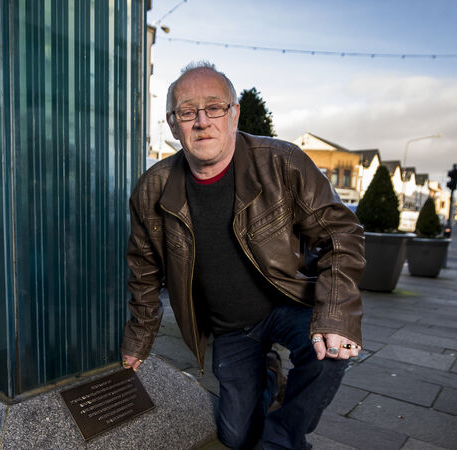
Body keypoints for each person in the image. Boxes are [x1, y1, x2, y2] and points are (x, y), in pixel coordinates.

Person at [120, 61, 365, 450]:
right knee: (235, 436)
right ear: (173, 124)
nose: (202, 121)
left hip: (288, 301)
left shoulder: (281, 162)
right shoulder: (153, 188)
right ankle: (269, 374)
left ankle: (281, 437)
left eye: (214, 107)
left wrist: (336, 313)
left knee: (332, 352)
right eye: (188, 112)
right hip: (232, 324)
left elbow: (341, 232)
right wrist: (138, 340)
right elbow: (145, 270)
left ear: (234, 114)